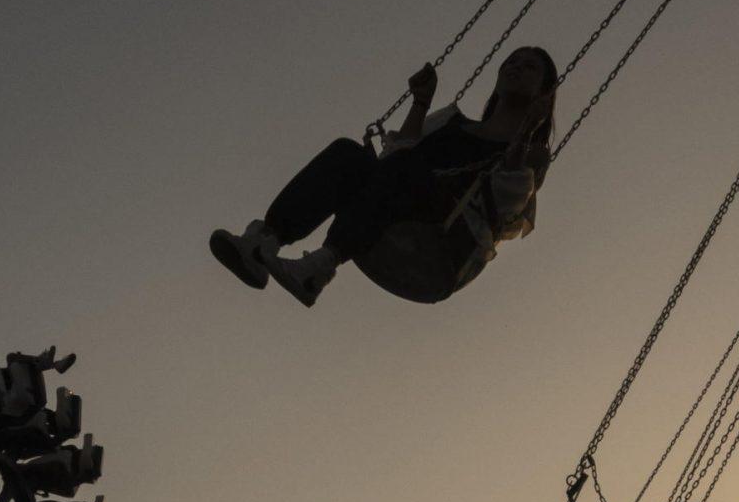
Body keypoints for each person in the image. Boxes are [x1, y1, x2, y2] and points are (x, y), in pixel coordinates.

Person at [208, 46, 556, 307]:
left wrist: (526, 132)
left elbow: (509, 198)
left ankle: (322, 264)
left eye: (529, 67)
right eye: (512, 61)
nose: (516, 68)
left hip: (442, 245)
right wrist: (421, 102)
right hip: (388, 216)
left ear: (544, 91)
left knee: (407, 165)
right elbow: (393, 158)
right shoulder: (453, 123)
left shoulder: (530, 152)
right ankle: (263, 244)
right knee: (350, 154)